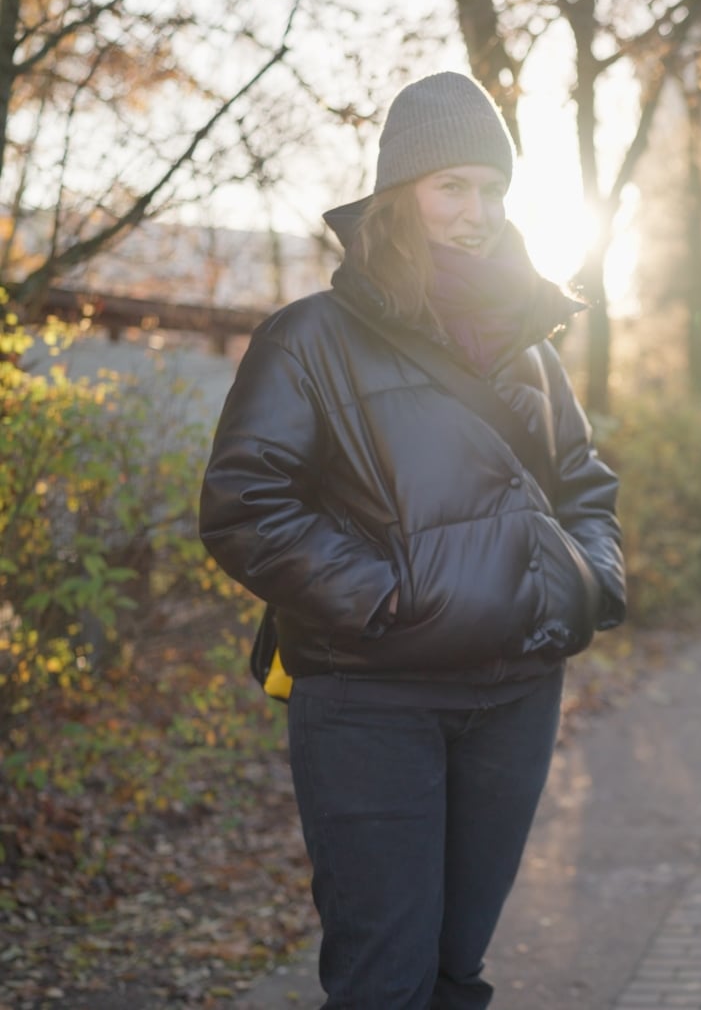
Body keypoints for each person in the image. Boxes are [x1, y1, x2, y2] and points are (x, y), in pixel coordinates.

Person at [198, 72, 626, 1009]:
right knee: (383, 978)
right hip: (372, 698)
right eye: (452, 187)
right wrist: (386, 596)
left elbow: (585, 484)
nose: (478, 212)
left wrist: (588, 580)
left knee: (455, 970)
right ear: (401, 194)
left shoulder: (533, 347)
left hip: (517, 694)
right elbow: (244, 505)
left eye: (493, 188)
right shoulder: (310, 338)